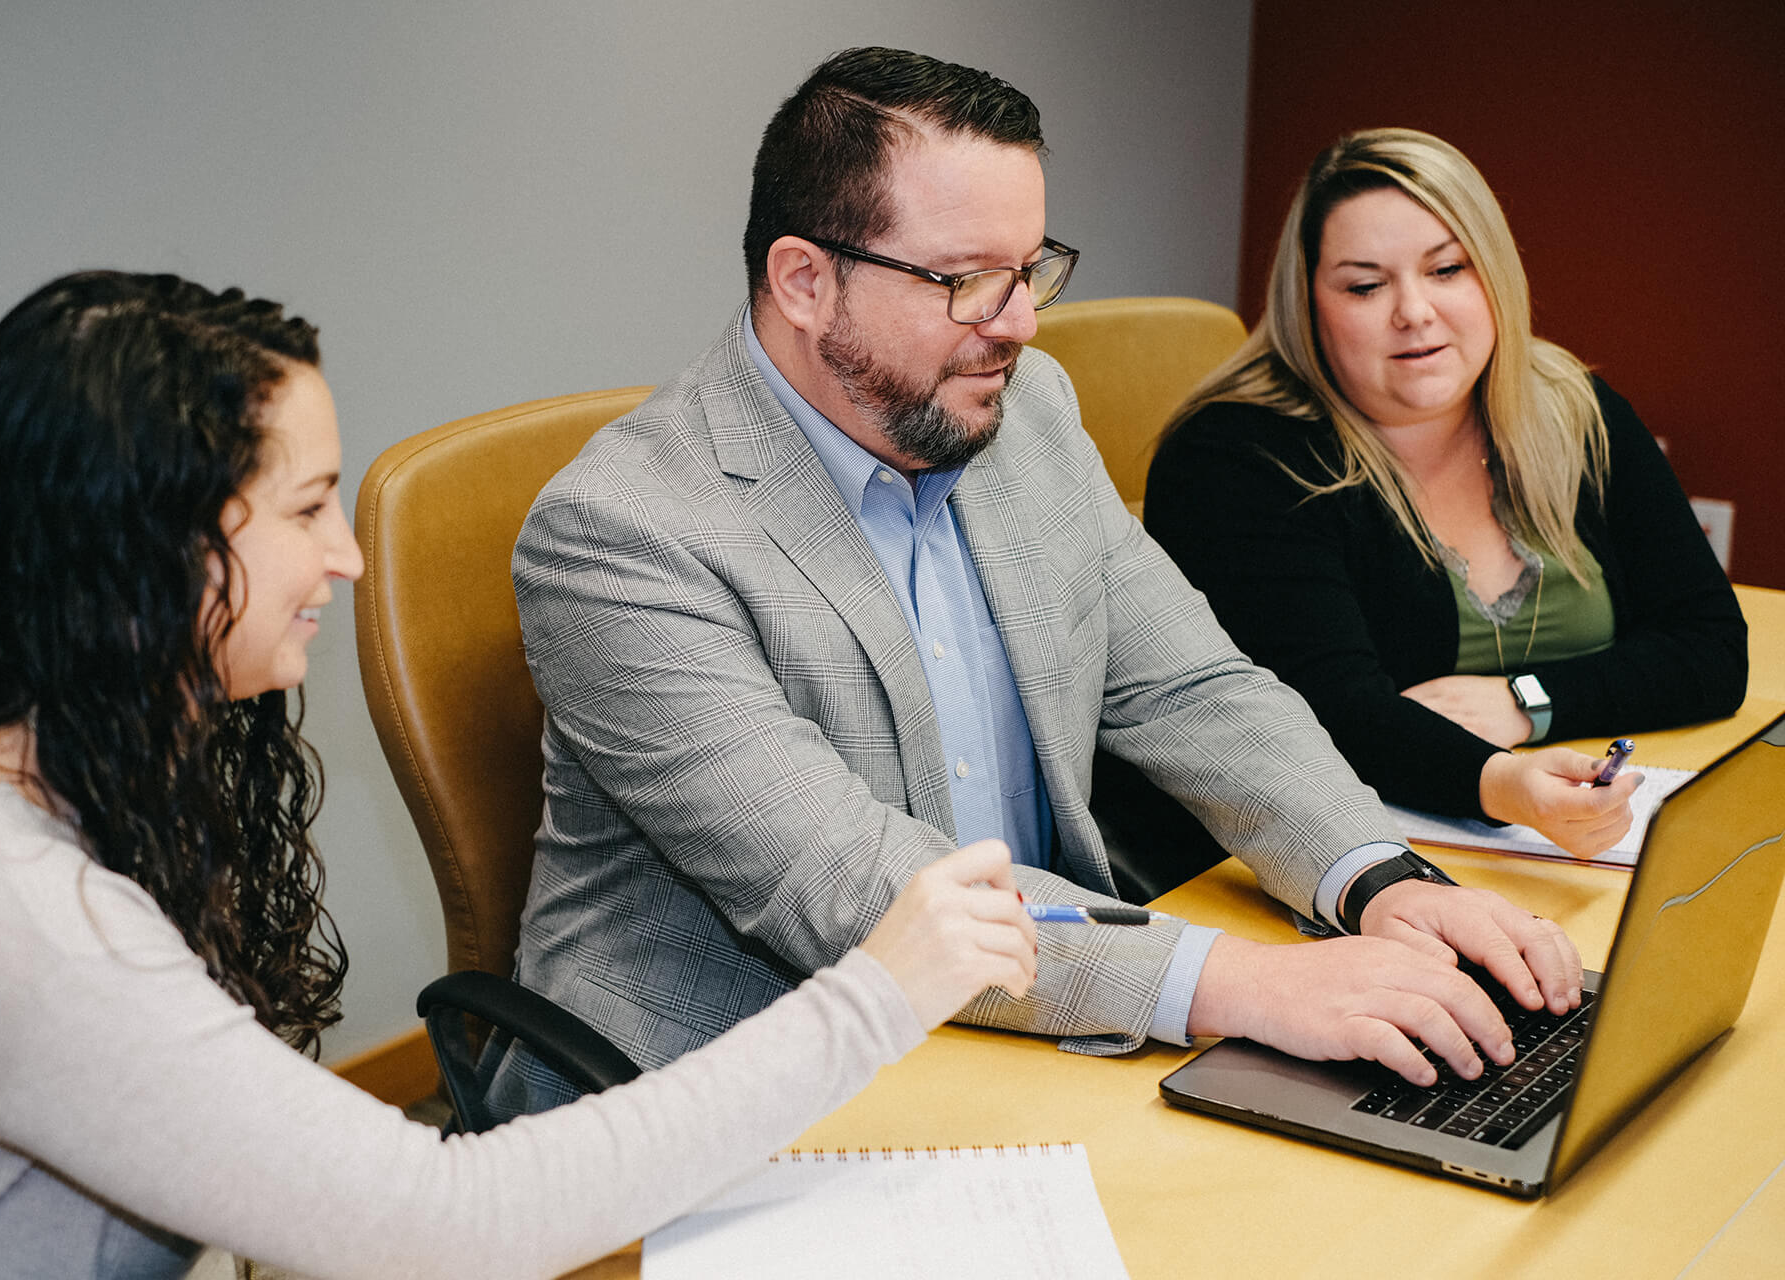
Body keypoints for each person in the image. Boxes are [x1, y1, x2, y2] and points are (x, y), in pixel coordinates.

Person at [0, 269, 1041, 1280]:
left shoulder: (68, 771)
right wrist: (875, 995)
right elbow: (447, 1219)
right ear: (148, 545)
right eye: (310, 507)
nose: (349, 556)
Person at [497, 48, 1586, 1126]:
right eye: (967, 281)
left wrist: (1377, 880)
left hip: (1042, 1016)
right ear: (804, 280)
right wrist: (1244, 983)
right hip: (734, 1096)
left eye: (1031, 271)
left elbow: (1191, 687)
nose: (1019, 322)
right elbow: (854, 890)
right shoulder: (623, 534)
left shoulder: (1025, 411)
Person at [1145, 128, 1747, 857]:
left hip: (1570, 843)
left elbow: (1712, 649)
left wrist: (1524, 703)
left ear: (1493, 273)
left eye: (1447, 270)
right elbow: (1324, 712)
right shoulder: (1238, 457)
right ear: (1308, 305)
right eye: (1365, 285)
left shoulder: (1570, 406)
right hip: (1322, 856)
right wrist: (1504, 785)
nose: (1414, 312)